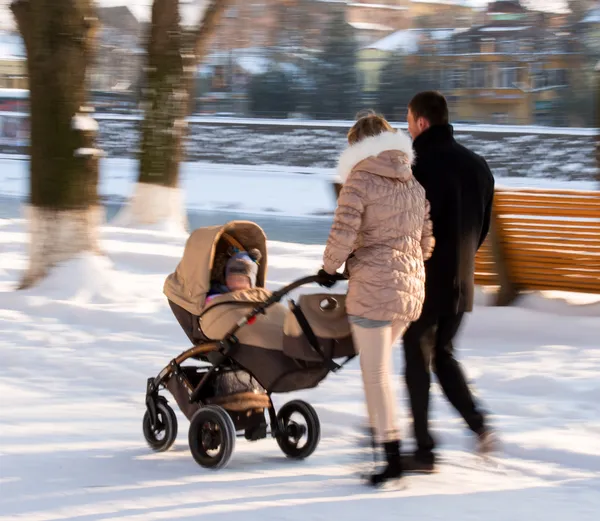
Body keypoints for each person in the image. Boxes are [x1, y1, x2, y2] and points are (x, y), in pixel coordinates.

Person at [317, 112, 435, 487]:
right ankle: (383, 438)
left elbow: (345, 230)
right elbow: (427, 243)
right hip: (410, 291)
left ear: (357, 145)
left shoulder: (359, 180)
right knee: (380, 372)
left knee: (376, 375)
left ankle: (391, 454)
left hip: (373, 288)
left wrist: (329, 267)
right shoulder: (413, 183)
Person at [402, 91, 496, 473]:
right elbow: (483, 228)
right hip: (462, 281)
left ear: (422, 122)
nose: (407, 129)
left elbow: (407, 225)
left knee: (416, 354)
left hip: (425, 280)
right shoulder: (478, 166)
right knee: (442, 353)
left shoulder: (416, 165)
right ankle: (479, 425)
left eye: (408, 121)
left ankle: (424, 450)